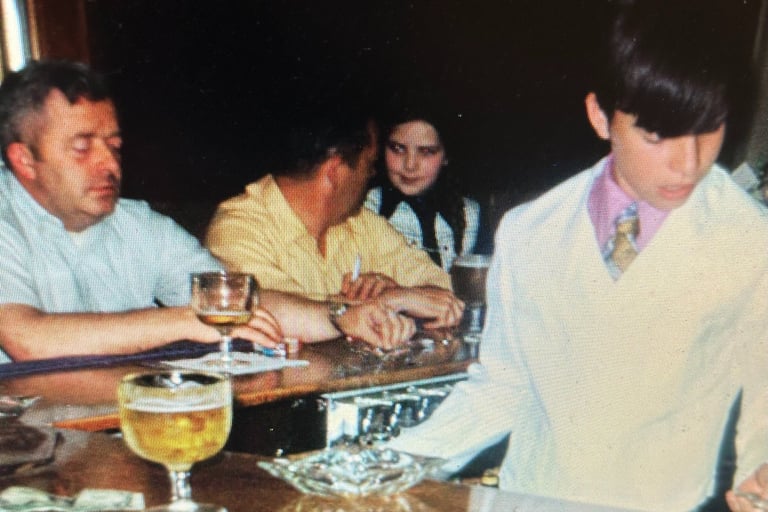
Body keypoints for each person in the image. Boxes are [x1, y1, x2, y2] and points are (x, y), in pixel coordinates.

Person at [389, 1, 768, 510]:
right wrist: (387, 466)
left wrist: (758, 470)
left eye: (709, 128)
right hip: (530, 498)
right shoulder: (531, 232)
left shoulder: (748, 237)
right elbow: (502, 388)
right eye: (658, 136)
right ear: (600, 117)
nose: (688, 163)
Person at [0, 60, 424, 363]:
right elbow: (27, 337)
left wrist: (339, 316)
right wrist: (185, 321)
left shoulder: (137, 224)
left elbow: (237, 301)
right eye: (82, 148)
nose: (108, 163)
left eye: (114, 146)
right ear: (24, 160)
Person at [204, 109, 462, 324]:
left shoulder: (360, 222)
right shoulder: (238, 228)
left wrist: (400, 293)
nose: (372, 175)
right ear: (335, 171)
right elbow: (278, 315)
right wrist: (383, 302)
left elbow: (446, 291)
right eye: (369, 165)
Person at [365, 108, 490, 271]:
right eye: (398, 148)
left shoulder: (472, 215)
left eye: (426, 151)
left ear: (446, 156)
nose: (410, 165)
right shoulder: (366, 208)